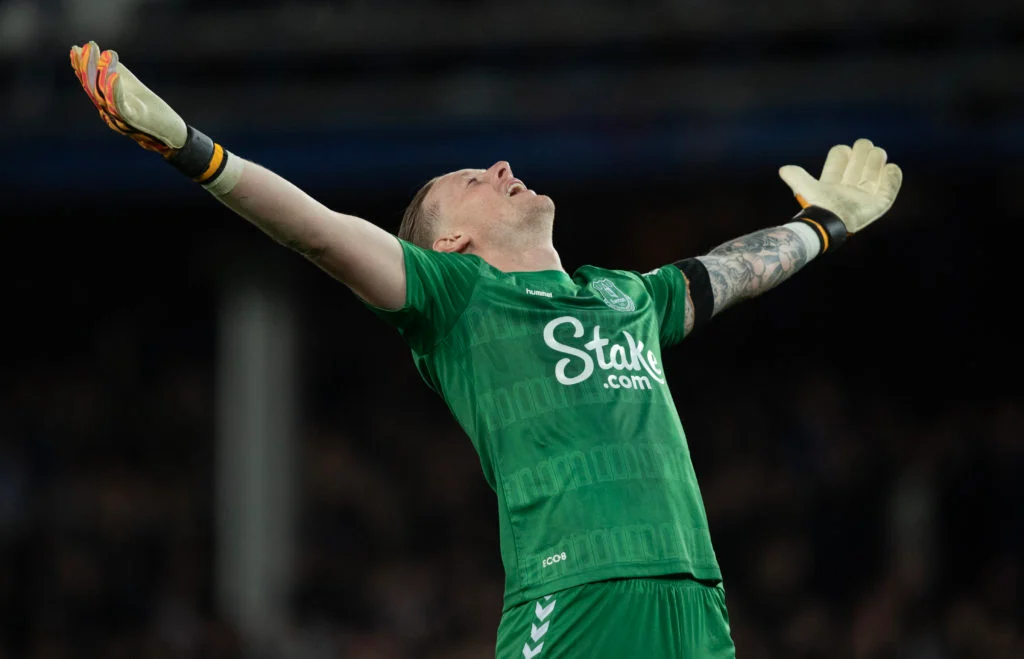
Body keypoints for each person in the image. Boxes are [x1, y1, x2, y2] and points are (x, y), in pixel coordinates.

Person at [69, 41, 902, 658]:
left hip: (696, 596)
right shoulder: (456, 299)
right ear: (452, 240)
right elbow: (317, 232)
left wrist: (821, 225)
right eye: (472, 179)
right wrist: (193, 149)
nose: (501, 166)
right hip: (575, 597)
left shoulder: (628, 296)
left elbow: (729, 271)